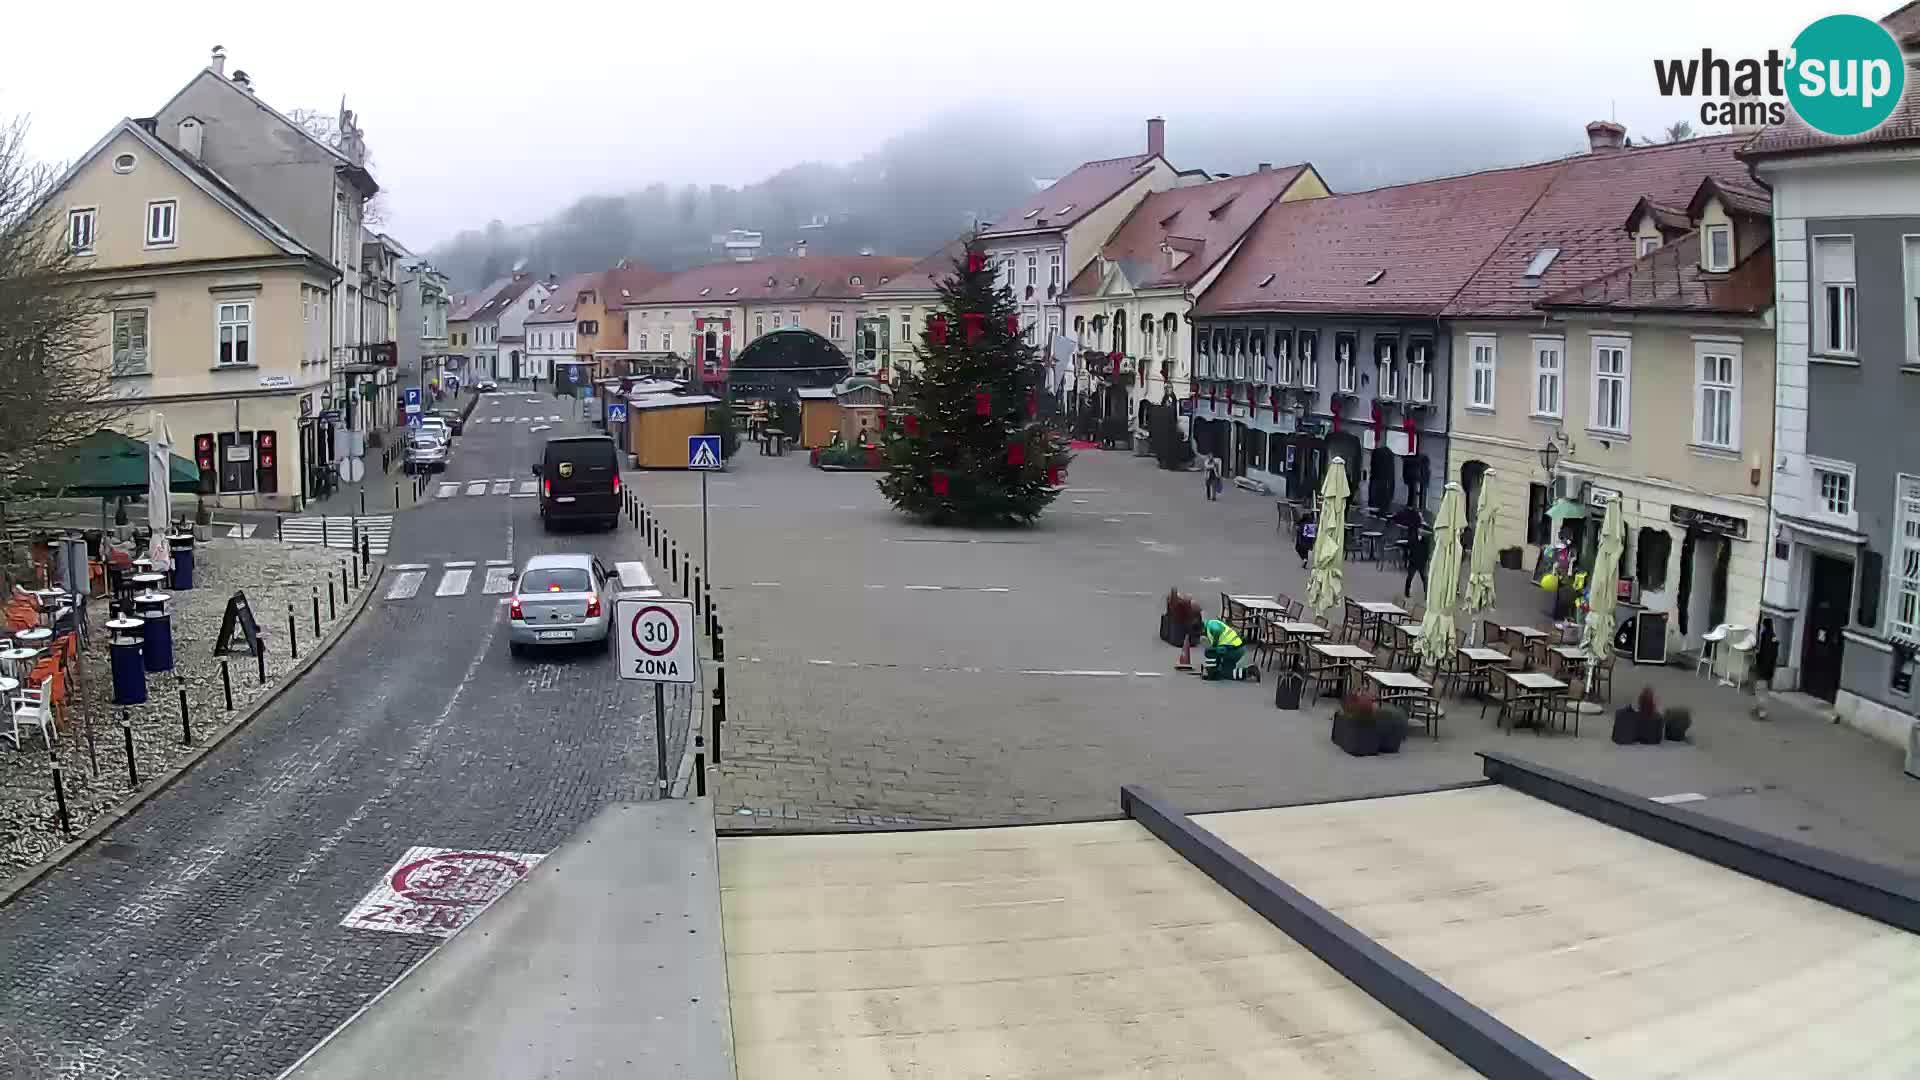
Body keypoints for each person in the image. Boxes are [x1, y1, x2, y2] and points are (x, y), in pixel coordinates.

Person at [1400, 507, 1432, 599]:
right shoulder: (1413, 531)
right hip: (1414, 559)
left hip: (1421, 560)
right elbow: (1410, 544)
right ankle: (1407, 592)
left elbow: (1427, 548)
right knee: (1410, 576)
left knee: (1424, 578)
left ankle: (1427, 594)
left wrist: (1426, 558)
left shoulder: (1426, 535)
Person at [1201, 615, 1245, 681]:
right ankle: (1248, 671)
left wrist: (1214, 644)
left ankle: (1212, 672)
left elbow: (1217, 630)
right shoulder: (1212, 623)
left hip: (1234, 650)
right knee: (1226, 672)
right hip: (1236, 648)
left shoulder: (1211, 625)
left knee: (1209, 651)